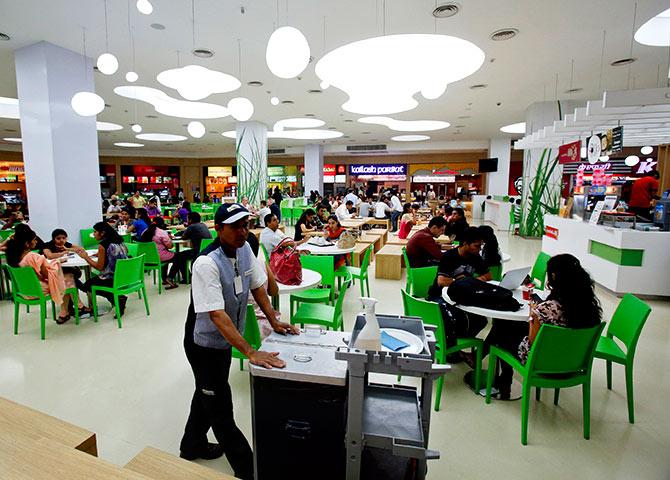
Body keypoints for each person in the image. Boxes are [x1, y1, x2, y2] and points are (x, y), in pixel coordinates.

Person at [179, 203, 297, 478]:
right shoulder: (206, 263)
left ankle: (191, 445)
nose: (242, 231)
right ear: (218, 229)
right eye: (235, 226)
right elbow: (217, 315)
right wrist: (250, 351)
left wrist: (274, 319)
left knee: (208, 391)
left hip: (225, 340)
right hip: (203, 343)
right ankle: (249, 469)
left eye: (245, 224)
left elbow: (258, 286)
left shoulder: (245, 249)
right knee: (221, 407)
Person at [489, 254, 602, 399]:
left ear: (554, 276)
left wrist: (533, 316)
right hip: (572, 363)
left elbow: (531, 342)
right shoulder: (589, 307)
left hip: (541, 364)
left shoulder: (547, 309)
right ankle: (500, 378)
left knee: (502, 329)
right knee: (509, 326)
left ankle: (505, 383)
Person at [5, 226, 84, 324]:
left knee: (66, 277)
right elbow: (48, 275)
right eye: (34, 240)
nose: (36, 242)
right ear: (27, 243)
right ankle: (67, 310)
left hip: (24, 291)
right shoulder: (33, 256)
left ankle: (73, 308)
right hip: (38, 290)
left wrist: (54, 261)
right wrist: (57, 262)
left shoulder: (13, 256)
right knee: (67, 277)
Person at [426, 226, 490, 344]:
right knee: (453, 319)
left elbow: (488, 275)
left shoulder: (475, 257)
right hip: (439, 296)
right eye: (476, 246)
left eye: (480, 246)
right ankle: (452, 347)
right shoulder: (449, 257)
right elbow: (441, 281)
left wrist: (477, 279)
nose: (479, 249)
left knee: (481, 321)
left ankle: (459, 342)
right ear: (465, 243)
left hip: (462, 297)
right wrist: (464, 281)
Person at [74, 222, 129, 318]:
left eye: (95, 232)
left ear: (102, 233)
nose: (93, 234)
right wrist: (102, 255)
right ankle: (117, 299)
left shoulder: (103, 245)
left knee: (87, 285)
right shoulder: (119, 241)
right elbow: (126, 252)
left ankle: (117, 298)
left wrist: (86, 257)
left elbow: (99, 267)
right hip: (124, 276)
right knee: (93, 281)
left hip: (111, 278)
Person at [140, 217, 183, 289]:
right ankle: (170, 277)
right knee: (179, 257)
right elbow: (170, 246)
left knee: (166, 254)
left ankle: (164, 279)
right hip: (160, 257)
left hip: (147, 258)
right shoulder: (162, 232)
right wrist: (169, 239)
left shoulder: (144, 232)